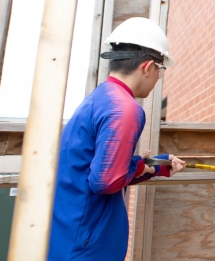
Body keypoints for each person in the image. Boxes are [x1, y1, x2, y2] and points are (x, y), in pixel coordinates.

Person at [48, 17, 187, 261]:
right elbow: (105, 181)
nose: (158, 79)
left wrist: (156, 166)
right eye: (161, 71)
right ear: (147, 67)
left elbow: (97, 168)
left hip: (70, 234)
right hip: (88, 246)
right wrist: (141, 165)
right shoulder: (125, 109)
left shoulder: (100, 98)